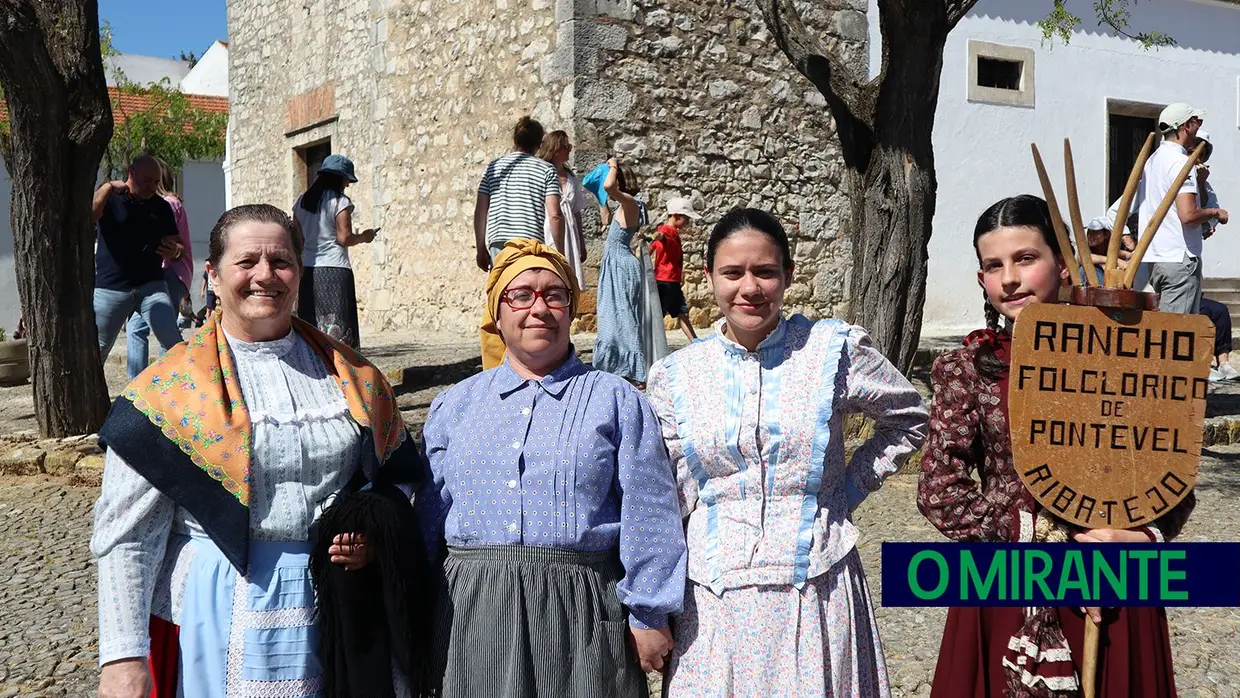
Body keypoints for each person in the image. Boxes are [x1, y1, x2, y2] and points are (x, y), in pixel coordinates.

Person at [92, 204, 425, 697]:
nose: (264, 275)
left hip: (341, 604)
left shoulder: (354, 377)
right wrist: (123, 658)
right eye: (247, 262)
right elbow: (128, 536)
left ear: (300, 272)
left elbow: (398, 481)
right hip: (220, 606)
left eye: (281, 261)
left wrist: (373, 534)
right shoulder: (167, 392)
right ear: (213, 274)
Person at [919, 194, 1195, 698]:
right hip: (1010, 579)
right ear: (980, 279)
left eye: (1026, 258)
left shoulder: (1127, 359)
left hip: (1112, 581)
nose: (1009, 279)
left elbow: (1172, 471)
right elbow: (940, 489)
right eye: (992, 265)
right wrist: (1053, 554)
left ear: (1064, 263)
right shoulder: (968, 370)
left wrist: (1142, 537)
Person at [647, 208, 928, 697]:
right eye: (733, 273)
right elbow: (666, 495)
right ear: (709, 277)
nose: (750, 288)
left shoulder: (830, 352)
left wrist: (846, 487)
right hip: (712, 605)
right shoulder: (675, 377)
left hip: (816, 589)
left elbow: (909, 419)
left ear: (788, 276)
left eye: (765, 272)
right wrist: (651, 604)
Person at [420, 238, 686, 697]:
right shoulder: (455, 406)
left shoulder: (615, 399)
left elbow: (651, 510)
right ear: (497, 313)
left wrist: (649, 613)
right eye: (521, 294)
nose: (538, 308)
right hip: (472, 612)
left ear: (571, 308)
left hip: (580, 612)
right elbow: (428, 517)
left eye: (555, 294)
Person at [91, 155, 186, 367]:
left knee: (173, 341)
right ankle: (90, 399)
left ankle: (188, 392)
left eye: (155, 182)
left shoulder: (161, 206)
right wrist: (107, 187)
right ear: (131, 174)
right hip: (111, 287)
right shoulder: (111, 199)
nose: (152, 187)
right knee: (98, 349)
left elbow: (178, 245)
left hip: (151, 286)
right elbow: (91, 213)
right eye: (147, 181)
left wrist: (174, 252)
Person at [1137, 103, 1227, 314]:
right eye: (1197, 123)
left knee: (1167, 331)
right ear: (1186, 126)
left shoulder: (1153, 160)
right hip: (1179, 258)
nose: (1199, 129)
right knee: (1178, 336)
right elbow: (1187, 215)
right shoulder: (1179, 162)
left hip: (1157, 257)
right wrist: (1216, 213)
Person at [292, 153, 376, 350]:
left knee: (311, 325)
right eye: (347, 179)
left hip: (308, 270)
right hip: (334, 269)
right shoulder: (340, 202)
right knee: (340, 325)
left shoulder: (301, 202)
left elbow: (297, 239)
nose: (348, 184)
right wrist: (365, 236)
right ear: (340, 178)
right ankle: (344, 372)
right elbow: (344, 238)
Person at [125, 159, 194, 380]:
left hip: (168, 272)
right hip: (166, 273)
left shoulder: (167, 204)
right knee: (139, 327)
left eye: (151, 180)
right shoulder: (171, 202)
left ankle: (167, 383)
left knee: (160, 331)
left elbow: (164, 239)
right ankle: (140, 385)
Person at [473, 116, 563, 271]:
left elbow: (481, 211)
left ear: (515, 140)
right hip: (530, 244)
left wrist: (480, 248)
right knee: (526, 292)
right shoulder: (546, 170)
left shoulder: (494, 168)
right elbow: (555, 215)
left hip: (499, 244)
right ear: (539, 144)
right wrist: (560, 253)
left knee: (501, 292)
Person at [592, 158, 651, 385]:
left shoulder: (631, 203)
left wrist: (613, 166)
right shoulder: (622, 206)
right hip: (613, 265)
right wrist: (599, 195)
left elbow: (609, 187)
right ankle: (614, 365)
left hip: (622, 265)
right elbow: (606, 218)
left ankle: (633, 371)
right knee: (611, 315)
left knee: (625, 316)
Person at [537, 129, 590, 289]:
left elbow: (576, 211)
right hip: (548, 228)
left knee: (568, 279)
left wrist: (581, 241)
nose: (570, 149)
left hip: (570, 232)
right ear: (556, 148)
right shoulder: (542, 172)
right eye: (566, 146)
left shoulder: (571, 177)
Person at [651, 197, 700, 342]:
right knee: (676, 312)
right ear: (677, 216)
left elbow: (651, 247)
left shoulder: (668, 231)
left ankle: (694, 341)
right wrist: (652, 237)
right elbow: (660, 236)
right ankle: (694, 341)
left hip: (666, 280)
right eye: (686, 219)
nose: (687, 223)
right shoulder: (668, 230)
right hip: (667, 281)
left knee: (675, 312)